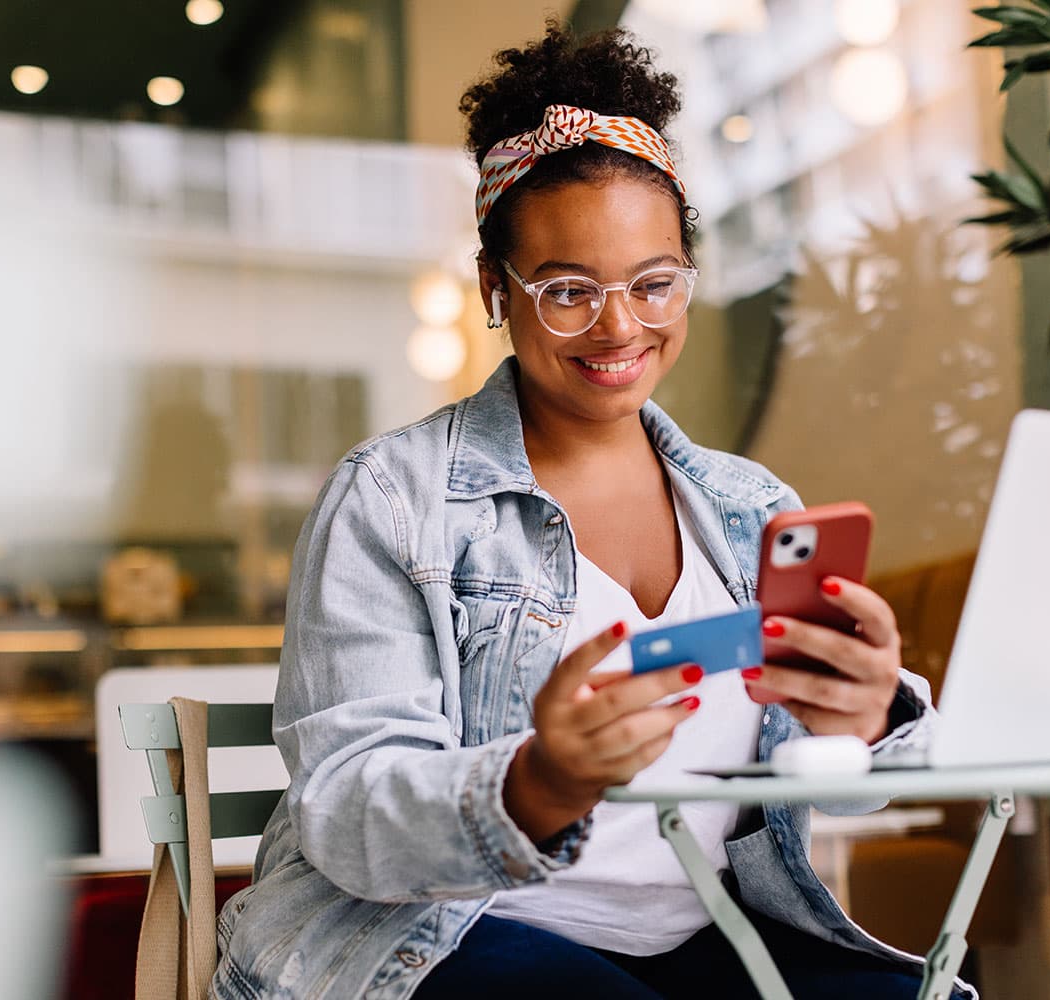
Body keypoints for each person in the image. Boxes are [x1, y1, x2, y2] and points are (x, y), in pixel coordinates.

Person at [214, 23, 969, 1000]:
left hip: (708, 931)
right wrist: (540, 782)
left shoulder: (751, 509)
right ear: (497, 287)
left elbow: (836, 780)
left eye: (655, 284)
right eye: (568, 291)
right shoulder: (393, 499)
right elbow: (349, 809)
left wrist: (865, 720)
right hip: (438, 937)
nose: (621, 326)